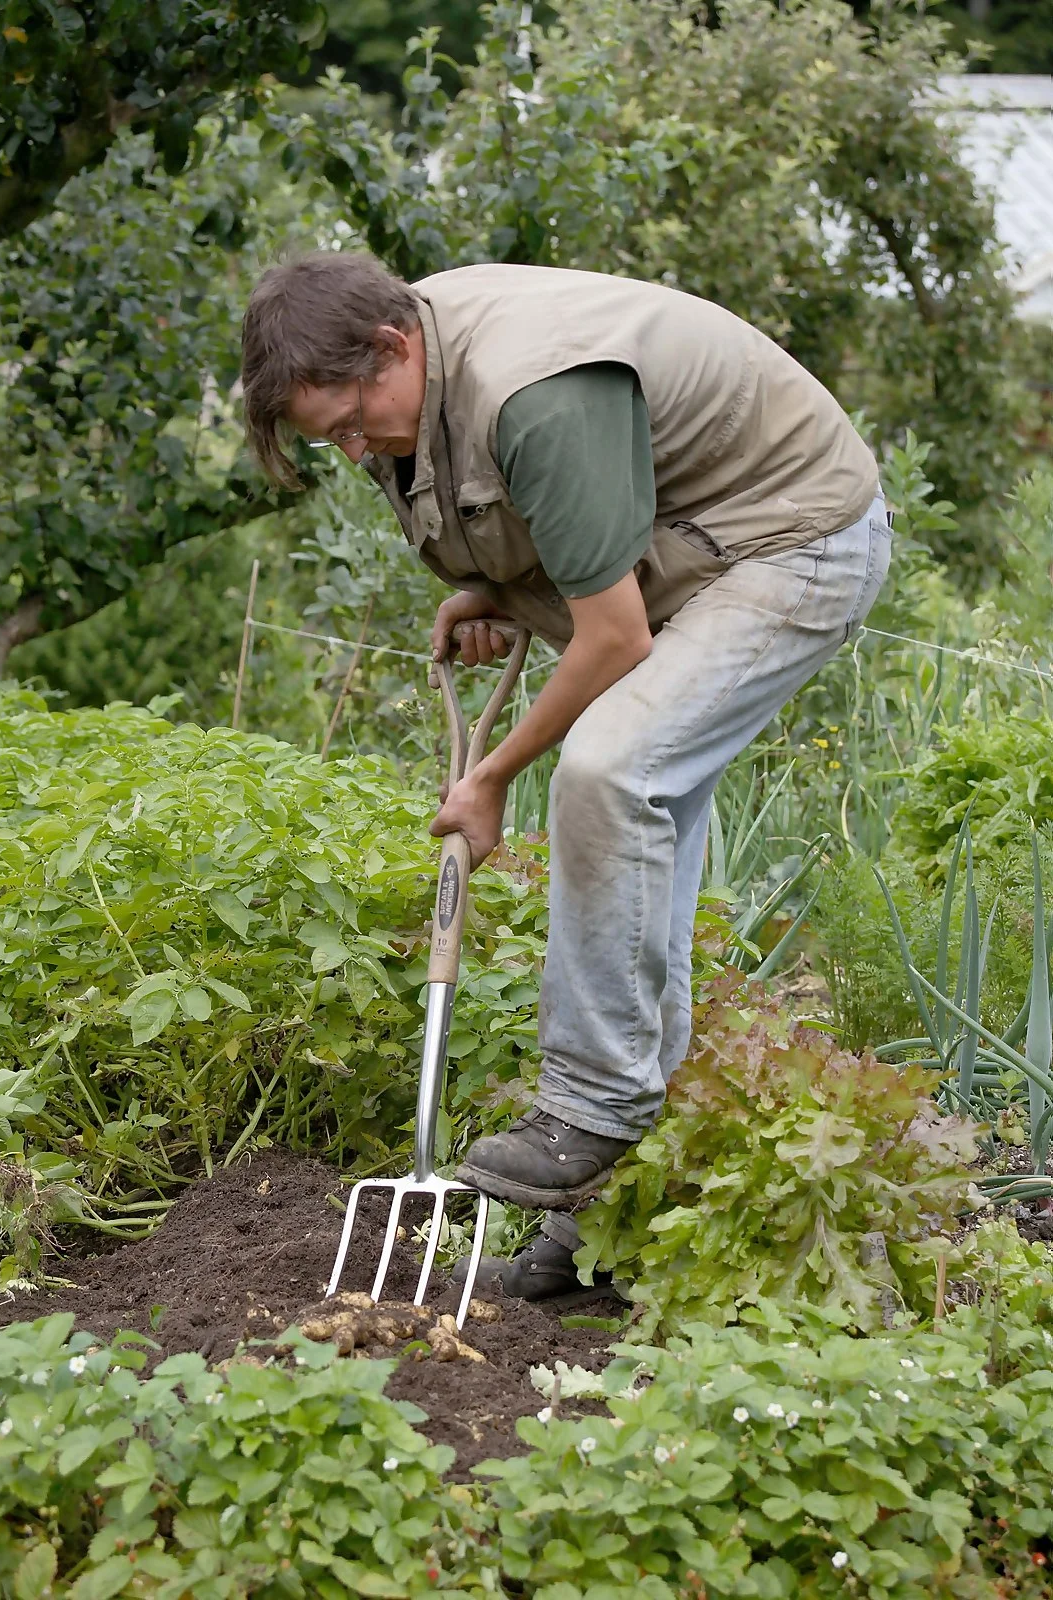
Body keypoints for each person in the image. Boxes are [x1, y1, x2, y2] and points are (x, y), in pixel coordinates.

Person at [241, 252, 891, 1300]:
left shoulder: (531, 389)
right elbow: (540, 521)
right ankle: (605, 1237)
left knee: (608, 767)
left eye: (355, 423)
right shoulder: (401, 371)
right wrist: (497, 587)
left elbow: (615, 638)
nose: (355, 450)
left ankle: (592, 1107)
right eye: (331, 441)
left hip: (789, 539)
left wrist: (491, 776)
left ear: (393, 347)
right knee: (642, 848)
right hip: (690, 546)